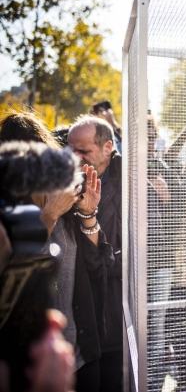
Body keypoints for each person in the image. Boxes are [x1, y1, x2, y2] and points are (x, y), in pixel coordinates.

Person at [0, 112, 114, 391]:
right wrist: (50, 213)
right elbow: (12, 280)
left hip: (82, 352)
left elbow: (101, 265)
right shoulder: (9, 214)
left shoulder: (65, 199)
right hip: (33, 364)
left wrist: (88, 214)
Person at [67, 116, 122, 392]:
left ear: (107, 147)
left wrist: (103, 260)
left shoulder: (136, 186)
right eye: (70, 149)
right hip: (75, 318)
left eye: (84, 151)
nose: (74, 157)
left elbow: (149, 252)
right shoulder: (61, 185)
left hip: (116, 313)